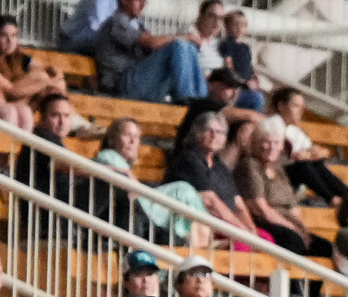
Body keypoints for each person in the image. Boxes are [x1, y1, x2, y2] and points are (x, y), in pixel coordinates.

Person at [97, 118, 208, 246]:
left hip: (141, 203)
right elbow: (128, 183)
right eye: (127, 135)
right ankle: (201, 247)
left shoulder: (120, 161)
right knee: (183, 191)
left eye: (136, 137)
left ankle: (200, 245)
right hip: (135, 205)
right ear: (112, 139)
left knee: (185, 192)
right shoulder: (107, 155)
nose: (132, 141)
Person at [237, 127, 333, 264]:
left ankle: (306, 286)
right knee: (293, 241)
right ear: (256, 143)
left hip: (286, 222)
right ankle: (290, 285)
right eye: (266, 142)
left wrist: (302, 229)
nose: (271, 147)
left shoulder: (278, 169)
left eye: (276, 143)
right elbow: (261, 208)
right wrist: (293, 228)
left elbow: (293, 206)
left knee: (324, 248)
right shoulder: (250, 165)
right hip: (263, 220)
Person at [95, 0, 208, 105]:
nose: (144, 2)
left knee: (189, 47)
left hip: (139, 83)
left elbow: (154, 46)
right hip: (121, 85)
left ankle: (202, 100)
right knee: (179, 46)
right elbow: (150, 43)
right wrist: (184, 36)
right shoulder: (116, 22)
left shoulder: (138, 24)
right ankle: (189, 100)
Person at [163, 112, 254, 238]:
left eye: (220, 132)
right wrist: (245, 234)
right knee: (243, 247)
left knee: (267, 239)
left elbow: (239, 204)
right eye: (209, 131)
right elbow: (211, 203)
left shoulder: (220, 166)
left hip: (228, 226)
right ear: (197, 133)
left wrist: (251, 230)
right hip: (200, 226)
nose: (214, 136)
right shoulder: (189, 160)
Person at [265, 87, 348, 211]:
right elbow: (286, 152)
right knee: (303, 166)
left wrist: (309, 154)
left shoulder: (296, 131)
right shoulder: (273, 123)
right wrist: (306, 154)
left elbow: (320, 152)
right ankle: (331, 198)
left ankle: (347, 195)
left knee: (317, 164)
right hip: (276, 174)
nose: (300, 111)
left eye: (302, 107)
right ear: (281, 106)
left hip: (293, 175)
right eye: (296, 106)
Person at [0, 15, 68, 106]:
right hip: (7, 103)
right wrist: (47, 83)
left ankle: (68, 115)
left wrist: (57, 75)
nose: (10, 41)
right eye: (4, 35)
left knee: (57, 83)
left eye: (13, 35)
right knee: (41, 76)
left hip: (25, 101)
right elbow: (12, 92)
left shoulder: (19, 57)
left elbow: (47, 68)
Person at [176, 67, 262, 146]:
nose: (235, 92)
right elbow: (247, 115)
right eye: (230, 86)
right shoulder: (203, 105)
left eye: (238, 88)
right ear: (213, 86)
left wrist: (248, 126)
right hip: (188, 156)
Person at [220, 8, 263, 109]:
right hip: (236, 85)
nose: (239, 28)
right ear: (227, 27)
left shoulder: (246, 47)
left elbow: (249, 65)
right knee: (257, 98)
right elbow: (228, 64)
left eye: (242, 25)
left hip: (247, 83)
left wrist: (254, 78)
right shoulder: (227, 44)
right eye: (235, 25)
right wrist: (237, 82)